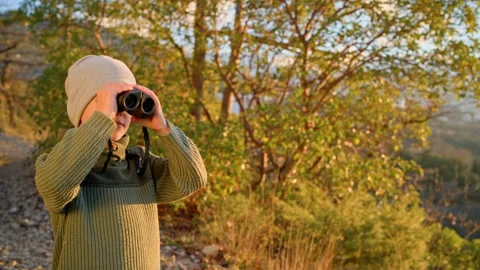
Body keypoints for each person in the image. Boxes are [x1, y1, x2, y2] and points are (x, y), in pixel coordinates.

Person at [34, 55, 207, 269]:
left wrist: (164, 127)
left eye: (128, 101)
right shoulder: (63, 162)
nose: (120, 112)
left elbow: (193, 178)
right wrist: (102, 121)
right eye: (111, 99)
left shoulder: (141, 165)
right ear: (80, 109)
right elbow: (55, 186)